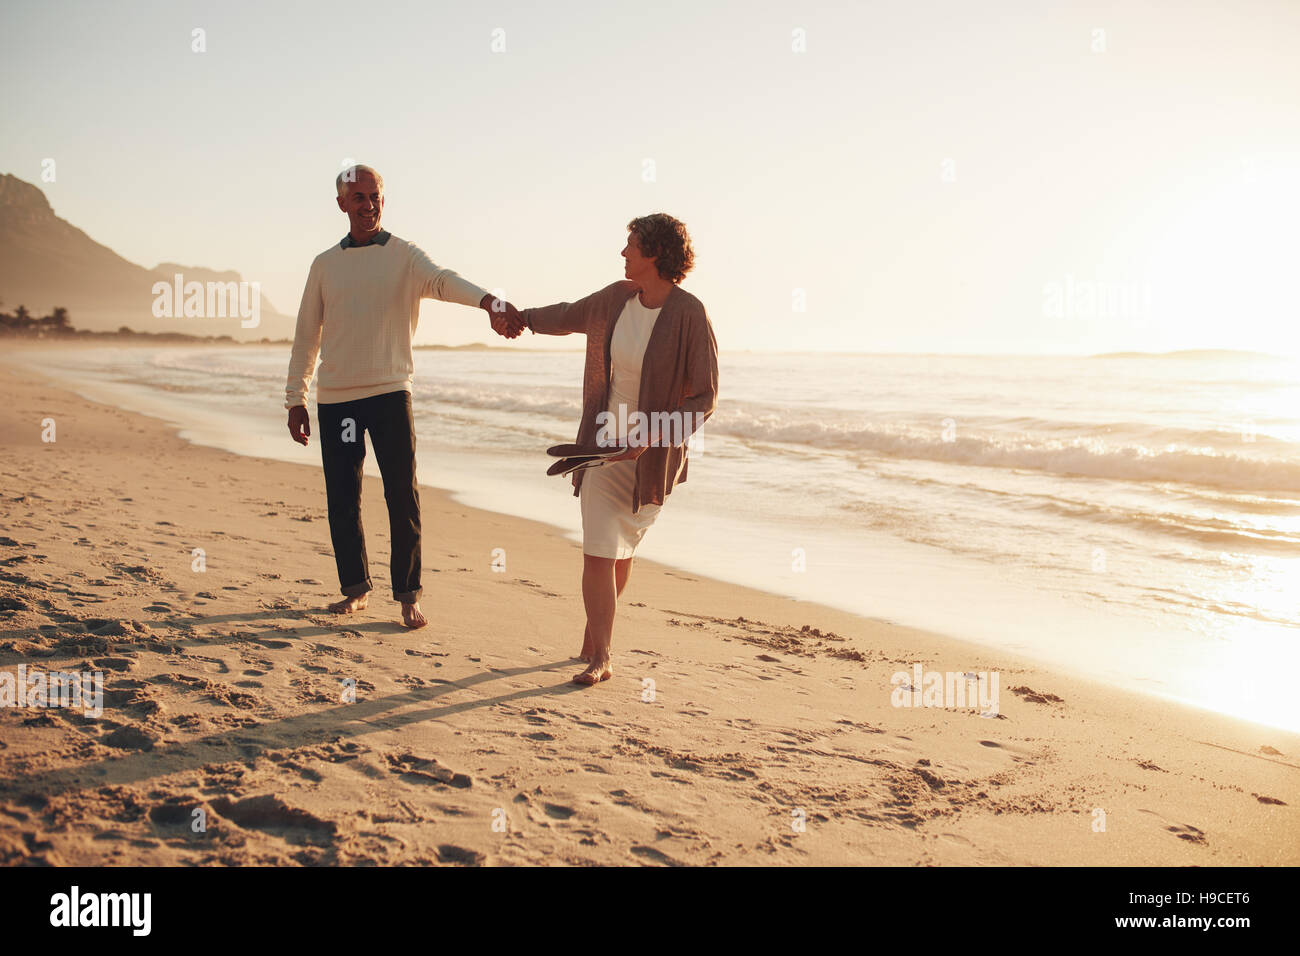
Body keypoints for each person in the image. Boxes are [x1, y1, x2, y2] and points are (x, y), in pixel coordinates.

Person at [284, 164, 523, 629]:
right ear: (341, 204)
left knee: (402, 495)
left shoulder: (405, 256)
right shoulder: (324, 265)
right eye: (358, 197)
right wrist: (296, 397)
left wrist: (490, 302)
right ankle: (354, 590)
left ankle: (408, 595)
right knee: (342, 498)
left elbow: (444, 280)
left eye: (375, 196)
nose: (368, 204)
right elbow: (305, 335)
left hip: (390, 393)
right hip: (337, 400)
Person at [518, 213, 718, 684]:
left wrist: (649, 436)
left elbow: (704, 398)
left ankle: (594, 635)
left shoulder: (690, 313)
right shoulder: (616, 298)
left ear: (655, 254)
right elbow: (568, 314)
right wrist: (521, 318)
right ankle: (601, 656)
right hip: (603, 443)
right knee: (599, 549)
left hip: (653, 453)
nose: (623, 253)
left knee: (622, 547)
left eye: (630, 246)